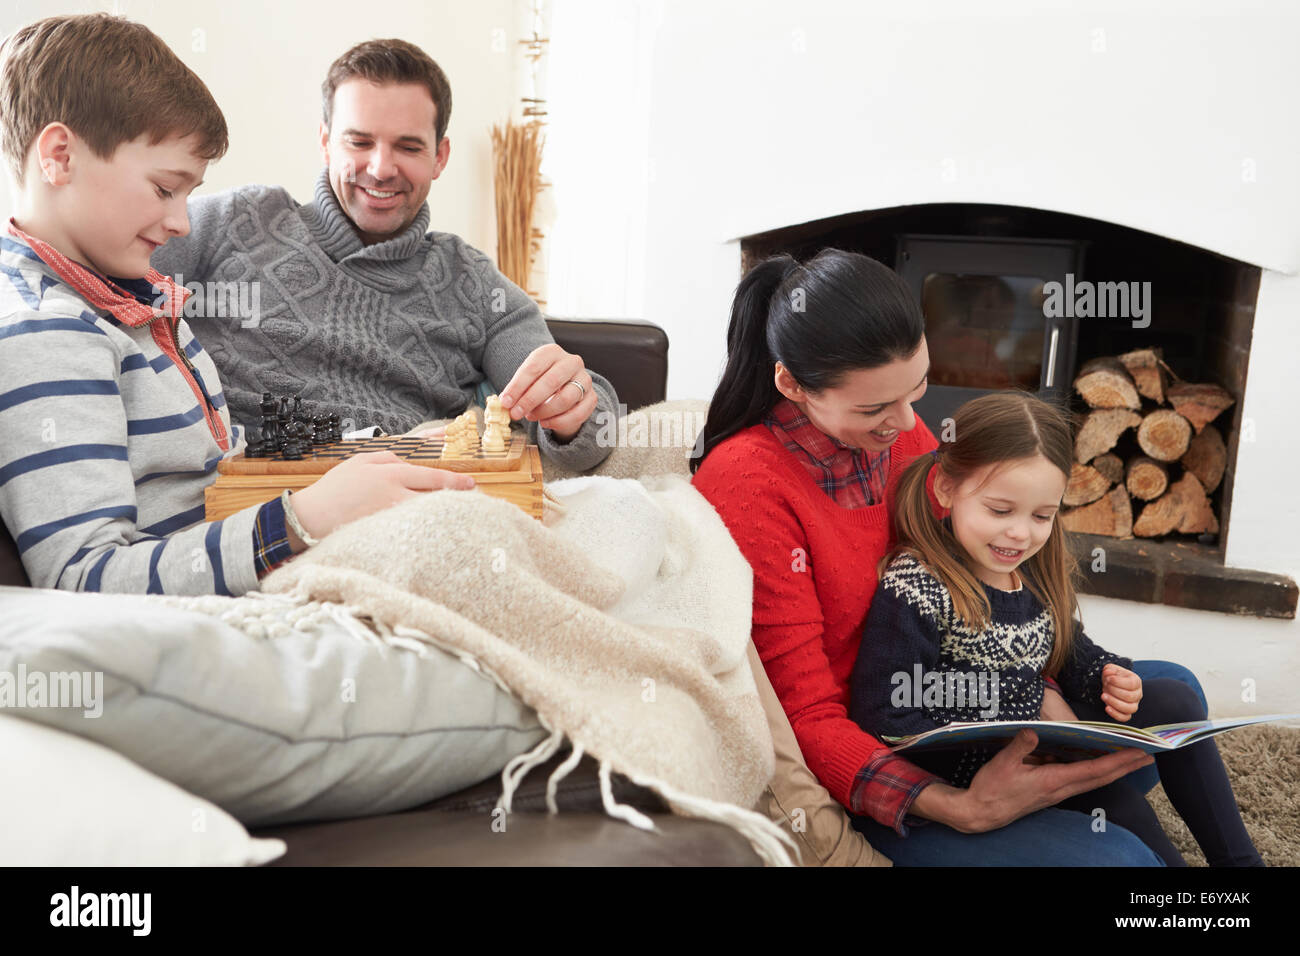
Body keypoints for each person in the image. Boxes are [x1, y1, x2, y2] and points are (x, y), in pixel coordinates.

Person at [690, 247, 1211, 865]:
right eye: (874, 408)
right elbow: (803, 714)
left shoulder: (901, 437)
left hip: (969, 709)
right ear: (791, 384)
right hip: (886, 755)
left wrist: (1040, 688)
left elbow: (984, 585)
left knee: (1175, 693)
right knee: (1121, 858)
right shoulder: (748, 484)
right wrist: (957, 806)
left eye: (917, 389)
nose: (909, 423)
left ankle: (1075, 797)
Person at [0, 13, 473, 594]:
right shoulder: (46, 334)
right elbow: (84, 578)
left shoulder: (132, 297)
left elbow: (230, 461)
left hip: (248, 550)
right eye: (164, 189)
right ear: (60, 156)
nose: (180, 222)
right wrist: (303, 520)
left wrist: (382, 450)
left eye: (188, 194)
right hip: (229, 591)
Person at [149, 38, 617, 472]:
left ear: (440, 156)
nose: (381, 167)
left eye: (408, 146)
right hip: (248, 496)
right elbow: (97, 282)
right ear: (326, 141)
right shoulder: (233, 220)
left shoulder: (472, 283)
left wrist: (573, 404)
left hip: (403, 503)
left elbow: (589, 426)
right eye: (359, 141)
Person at [849, 390, 1263, 866]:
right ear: (946, 489)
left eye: (1042, 516)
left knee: (1176, 701)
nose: (1021, 533)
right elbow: (884, 710)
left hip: (1043, 746)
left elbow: (1067, 650)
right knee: (1119, 809)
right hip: (971, 776)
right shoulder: (917, 584)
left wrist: (1108, 674)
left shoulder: (1027, 570)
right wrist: (1021, 709)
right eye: (1000, 511)